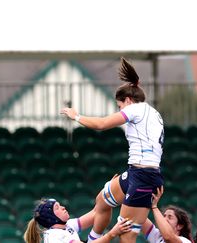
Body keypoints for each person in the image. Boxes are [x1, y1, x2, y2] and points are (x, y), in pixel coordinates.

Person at [60, 57, 164, 243]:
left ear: (128, 100)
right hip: (136, 172)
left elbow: (101, 124)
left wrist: (76, 116)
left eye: (120, 105)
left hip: (144, 176)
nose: (120, 109)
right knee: (103, 199)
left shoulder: (136, 109)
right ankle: (91, 238)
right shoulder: (153, 113)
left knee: (126, 235)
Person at [23, 198, 132, 243]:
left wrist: (109, 193)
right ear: (51, 218)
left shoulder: (66, 226)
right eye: (57, 208)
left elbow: (96, 212)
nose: (63, 207)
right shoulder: (55, 236)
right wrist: (112, 233)